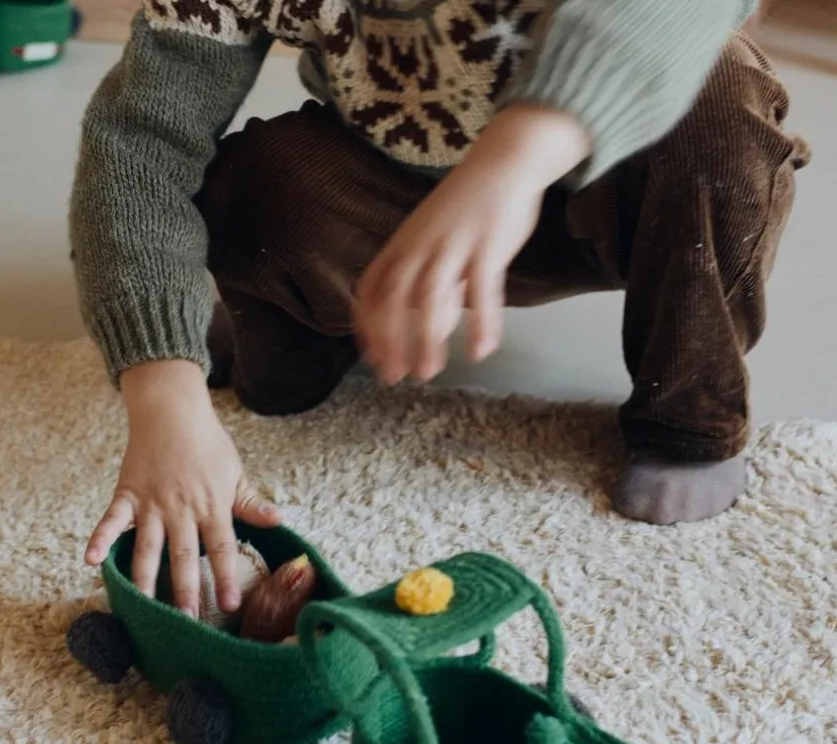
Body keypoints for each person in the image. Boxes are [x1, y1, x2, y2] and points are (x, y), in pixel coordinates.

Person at [69, 0, 808, 616]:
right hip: (400, 190)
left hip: (610, 178)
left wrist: (516, 157)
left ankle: (687, 417)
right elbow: (141, 147)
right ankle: (321, 325)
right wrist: (162, 389)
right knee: (254, 190)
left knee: (723, 103)